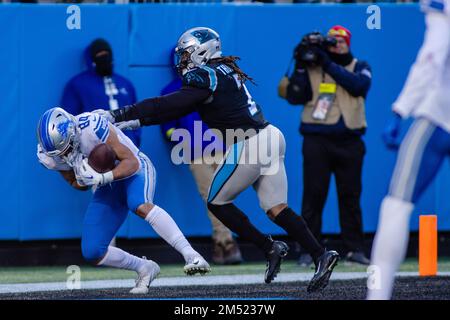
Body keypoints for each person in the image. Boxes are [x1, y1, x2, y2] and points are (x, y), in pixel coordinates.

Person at [98, 27, 339, 292]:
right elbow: (170, 109)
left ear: (203, 50)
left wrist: (118, 115)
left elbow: (167, 107)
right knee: (275, 208)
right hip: (271, 135)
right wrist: (129, 120)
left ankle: (269, 247)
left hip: (250, 143)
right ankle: (321, 254)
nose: (183, 61)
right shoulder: (226, 70)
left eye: (187, 54)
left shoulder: (206, 76)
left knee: (217, 202)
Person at [36, 107, 210, 294]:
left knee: (140, 205)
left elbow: (131, 162)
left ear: (72, 132)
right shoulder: (49, 154)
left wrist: (103, 177)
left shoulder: (91, 126)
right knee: (92, 251)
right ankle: (145, 268)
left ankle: (191, 255)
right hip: (107, 184)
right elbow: (73, 181)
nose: (63, 156)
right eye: (58, 154)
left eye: (66, 149)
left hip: (133, 169)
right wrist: (83, 179)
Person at [367, 1, 450, 300]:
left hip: (440, 116)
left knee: (396, 205)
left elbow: (432, 57)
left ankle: (377, 295)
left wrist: (401, 109)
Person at [280, 25, 372, 266]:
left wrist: (327, 63)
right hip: (317, 141)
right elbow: (294, 96)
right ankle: (310, 250)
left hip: (350, 141)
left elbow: (358, 87)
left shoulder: (360, 66)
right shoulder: (311, 67)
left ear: (348, 43)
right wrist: (300, 62)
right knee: (314, 196)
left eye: (341, 41)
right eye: (332, 42)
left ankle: (354, 249)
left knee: (350, 196)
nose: (337, 45)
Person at [160, 49, 242, 265]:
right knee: (211, 198)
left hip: (224, 146)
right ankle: (226, 243)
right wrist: (182, 139)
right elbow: (167, 126)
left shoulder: (211, 81)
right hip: (196, 154)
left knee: (225, 196)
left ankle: (222, 243)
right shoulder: (170, 90)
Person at [61, 38, 141, 148]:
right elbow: (69, 121)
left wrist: (135, 140)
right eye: (99, 55)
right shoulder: (77, 84)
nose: (104, 58)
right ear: (92, 59)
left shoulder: (125, 84)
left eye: (106, 54)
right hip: (95, 151)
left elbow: (136, 114)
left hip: (128, 147)